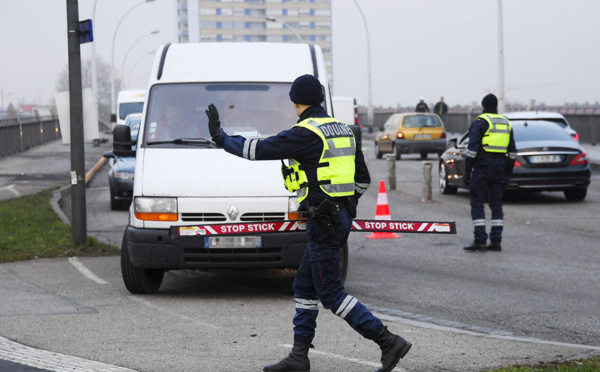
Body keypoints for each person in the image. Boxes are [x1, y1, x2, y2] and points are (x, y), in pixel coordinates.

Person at [206, 74, 411, 372]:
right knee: (303, 286)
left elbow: (256, 150)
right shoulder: (343, 130)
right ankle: (299, 357)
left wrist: (219, 136)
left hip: (322, 222)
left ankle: (388, 341)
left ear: (295, 102)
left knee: (330, 293)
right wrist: (343, 207)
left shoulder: (305, 133)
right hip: (336, 219)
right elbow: (362, 180)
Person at [463, 93, 517, 252]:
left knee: (477, 202)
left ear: (484, 107)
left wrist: (467, 172)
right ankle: (496, 241)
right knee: (496, 204)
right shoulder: (506, 123)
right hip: (500, 166)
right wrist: (508, 172)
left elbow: (471, 151)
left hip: (482, 167)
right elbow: (513, 152)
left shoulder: (481, 122)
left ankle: (480, 240)